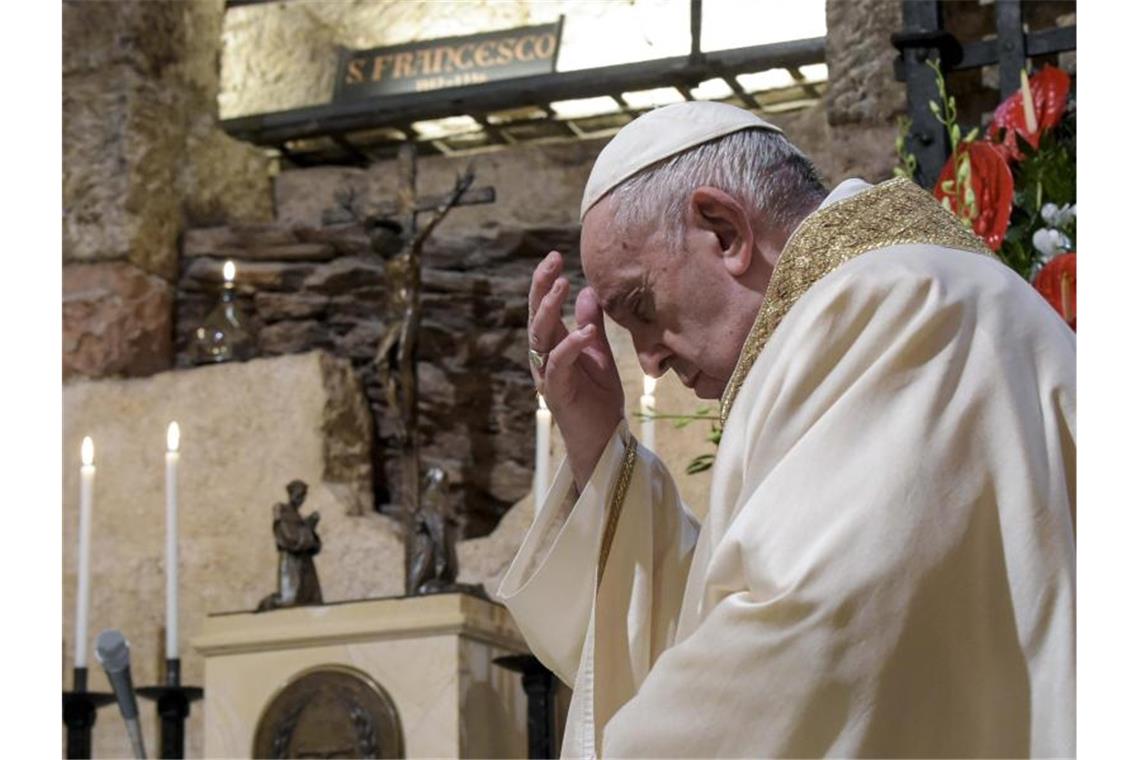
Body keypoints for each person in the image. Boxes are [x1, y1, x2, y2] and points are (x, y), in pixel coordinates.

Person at [497, 102, 1075, 757]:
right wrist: (600, 451)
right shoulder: (881, 302)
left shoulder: (899, 308)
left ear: (723, 231)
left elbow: (815, 634)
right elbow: (732, 603)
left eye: (641, 308)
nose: (649, 357)